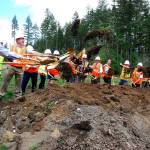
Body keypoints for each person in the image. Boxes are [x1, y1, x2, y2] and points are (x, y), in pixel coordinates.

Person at [0, 32, 27, 96]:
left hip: (20, 68)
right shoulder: (12, 47)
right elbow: (7, 55)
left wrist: (24, 66)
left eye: (23, 39)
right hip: (12, 66)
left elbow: (26, 58)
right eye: (21, 39)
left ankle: (17, 95)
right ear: (17, 40)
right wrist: (12, 60)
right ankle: (1, 93)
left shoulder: (25, 48)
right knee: (6, 80)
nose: (23, 40)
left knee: (19, 83)